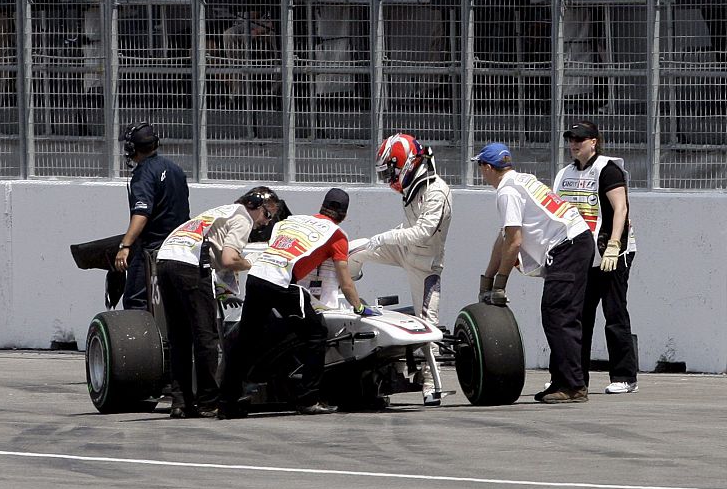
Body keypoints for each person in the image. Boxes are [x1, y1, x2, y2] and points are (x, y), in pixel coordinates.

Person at [218, 188, 380, 418]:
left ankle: (227, 403)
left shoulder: (293, 221)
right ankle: (308, 398)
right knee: (317, 332)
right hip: (281, 283)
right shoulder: (337, 235)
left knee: (246, 339)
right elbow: (345, 281)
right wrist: (360, 307)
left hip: (256, 278)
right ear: (343, 214)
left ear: (322, 206)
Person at [473, 142, 595, 404]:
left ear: (486, 167)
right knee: (560, 315)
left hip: (568, 246)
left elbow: (514, 242)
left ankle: (573, 386)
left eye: (480, 167)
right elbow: (505, 238)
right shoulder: (522, 180)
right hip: (576, 241)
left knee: (559, 316)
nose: (481, 173)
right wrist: (488, 279)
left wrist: (500, 284)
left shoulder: (506, 192)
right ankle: (564, 381)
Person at [156, 187, 280, 419]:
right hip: (190, 264)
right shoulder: (243, 216)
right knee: (206, 337)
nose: (264, 223)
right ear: (255, 205)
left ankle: (180, 402)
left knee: (179, 337)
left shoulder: (220, 211)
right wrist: (252, 264)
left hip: (165, 258)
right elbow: (229, 258)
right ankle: (208, 402)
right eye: (267, 215)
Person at [349, 133, 452, 406]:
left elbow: (422, 233)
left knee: (428, 323)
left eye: (390, 170)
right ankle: (339, 298)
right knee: (353, 250)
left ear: (405, 163)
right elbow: (408, 231)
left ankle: (431, 385)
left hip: (425, 264)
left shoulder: (436, 191)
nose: (389, 178)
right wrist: (383, 238)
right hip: (404, 249)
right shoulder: (413, 186)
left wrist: (385, 238)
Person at [553, 121, 638, 394]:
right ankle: (576, 378)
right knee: (579, 316)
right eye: (571, 139)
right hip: (582, 256)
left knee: (614, 314)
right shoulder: (564, 174)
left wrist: (614, 246)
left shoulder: (608, 169)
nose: (574, 144)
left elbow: (621, 208)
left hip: (613, 253)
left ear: (594, 142)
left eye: (580, 139)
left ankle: (625, 377)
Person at [115, 122, 190, 310]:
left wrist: (125, 246)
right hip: (180, 245)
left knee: (135, 301)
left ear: (131, 149)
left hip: (153, 249)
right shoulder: (175, 169)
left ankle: (142, 340)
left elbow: (141, 214)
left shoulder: (143, 174)